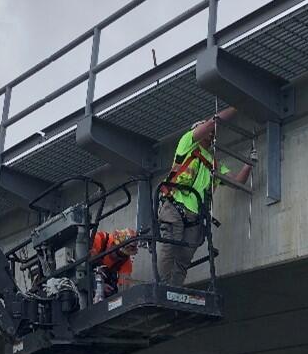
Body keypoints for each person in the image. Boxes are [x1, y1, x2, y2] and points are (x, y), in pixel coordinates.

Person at [157, 107, 252, 286]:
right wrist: (236, 106)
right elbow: (213, 122)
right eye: (207, 129)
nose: (210, 132)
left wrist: (249, 164)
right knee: (170, 245)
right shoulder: (187, 143)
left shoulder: (214, 164)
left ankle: (174, 290)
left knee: (183, 259)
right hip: (175, 205)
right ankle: (163, 286)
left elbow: (237, 182)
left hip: (195, 217)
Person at [91, 227, 138, 300]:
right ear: (114, 244)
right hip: (87, 278)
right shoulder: (99, 239)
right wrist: (97, 284)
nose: (120, 257)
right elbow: (83, 264)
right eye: (119, 253)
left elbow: (124, 289)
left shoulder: (125, 261)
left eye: (124, 255)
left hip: (103, 284)